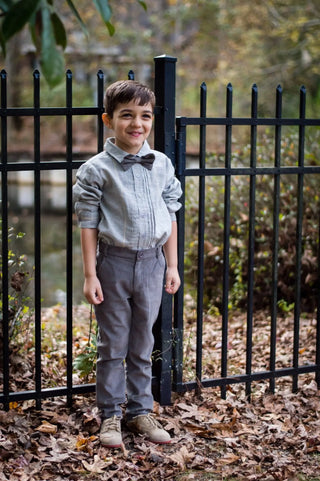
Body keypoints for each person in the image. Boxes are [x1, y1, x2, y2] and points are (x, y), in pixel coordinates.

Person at [73, 80, 182, 448]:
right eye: (127, 116)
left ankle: (139, 412)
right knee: (113, 344)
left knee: (142, 342)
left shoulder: (162, 165)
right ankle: (110, 415)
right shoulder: (96, 170)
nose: (137, 124)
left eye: (145, 116)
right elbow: (88, 224)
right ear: (108, 120)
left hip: (152, 265)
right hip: (114, 266)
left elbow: (170, 217)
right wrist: (90, 275)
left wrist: (172, 266)